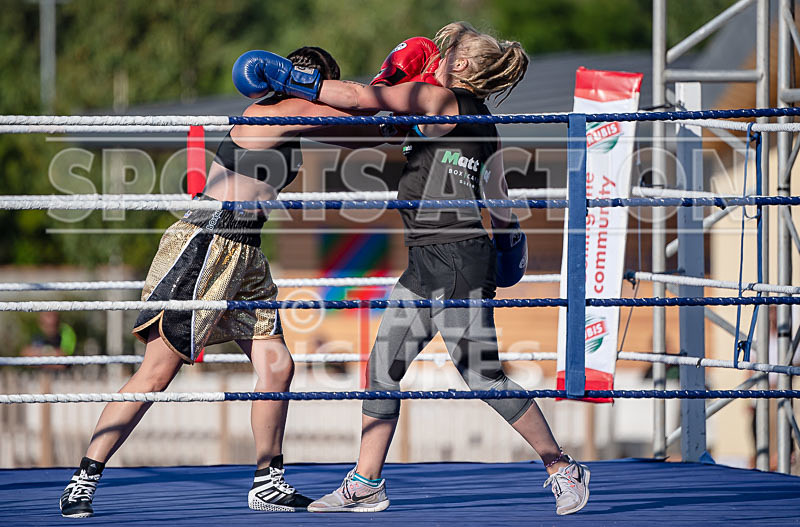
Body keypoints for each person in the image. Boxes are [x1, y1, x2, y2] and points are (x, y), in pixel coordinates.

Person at [238, 22, 590, 516]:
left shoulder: (440, 99)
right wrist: (511, 244)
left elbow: (361, 98)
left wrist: (293, 80)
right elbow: (500, 196)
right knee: (383, 369)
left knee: (483, 377)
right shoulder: (483, 123)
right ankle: (365, 482)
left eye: (446, 55)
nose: (436, 60)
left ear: (461, 66)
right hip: (427, 259)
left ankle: (561, 468)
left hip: (457, 258)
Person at [59, 46, 376, 518]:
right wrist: (394, 102)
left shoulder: (298, 120)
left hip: (246, 253)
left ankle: (268, 482)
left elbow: (355, 130)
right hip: (206, 243)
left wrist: (404, 112)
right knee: (157, 372)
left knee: (277, 367)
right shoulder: (275, 110)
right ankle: (84, 479)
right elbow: (354, 106)